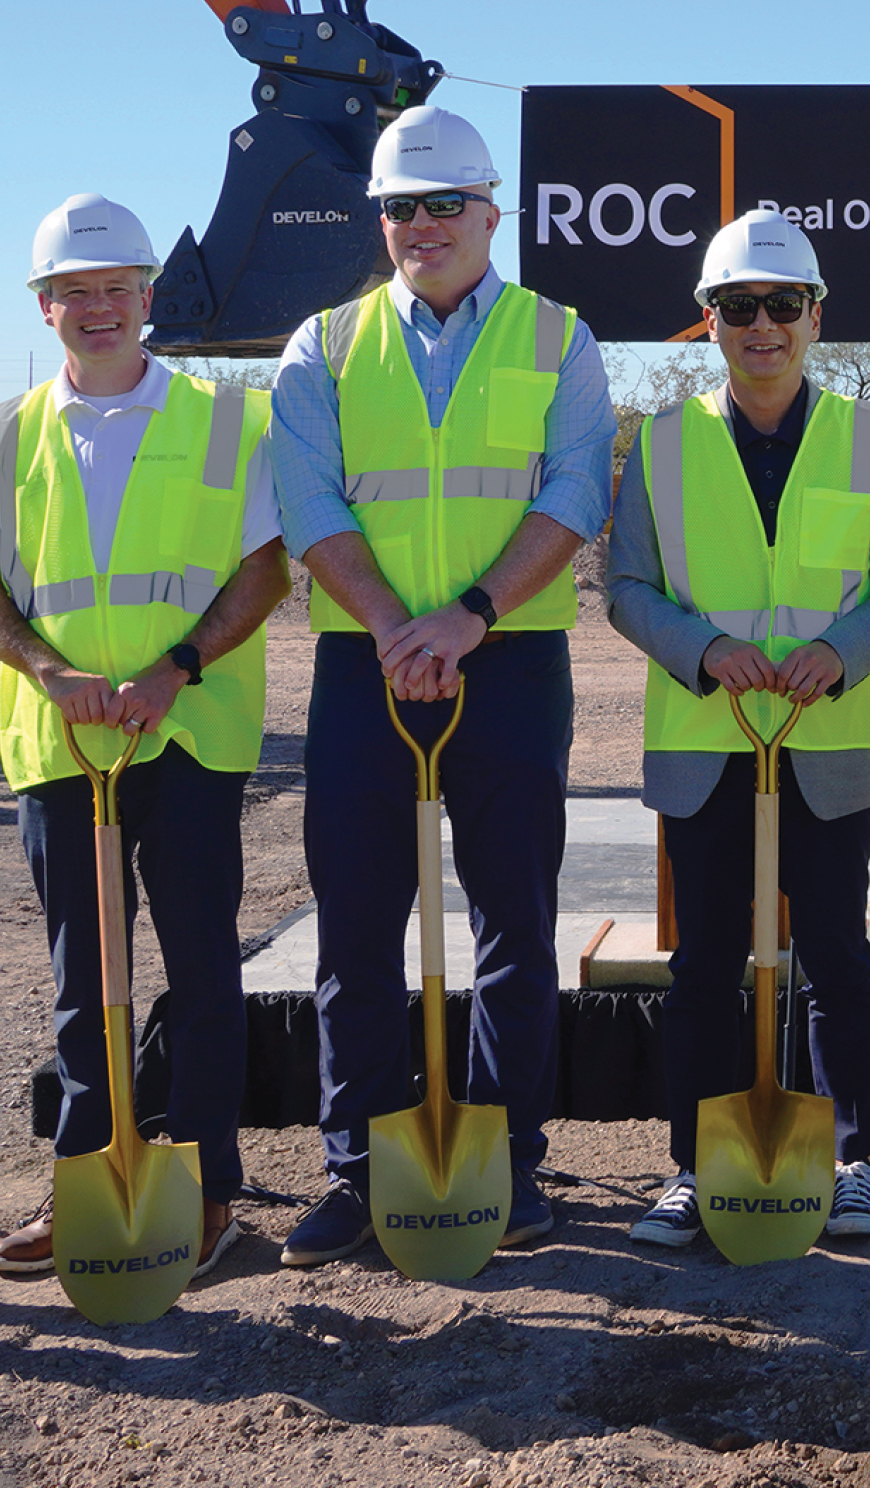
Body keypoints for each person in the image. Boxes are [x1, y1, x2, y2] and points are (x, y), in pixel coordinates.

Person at [265, 105, 615, 1267]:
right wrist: (391, 624)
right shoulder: (323, 344)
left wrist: (468, 615)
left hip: (506, 657)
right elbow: (307, 498)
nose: (421, 223)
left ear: (489, 211)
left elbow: (574, 488)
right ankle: (358, 1171)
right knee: (357, 926)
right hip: (364, 661)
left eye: (443, 203)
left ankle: (506, 1161)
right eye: (399, 206)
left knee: (514, 920)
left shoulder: (558, 337)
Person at [0, 195, 287, 1280]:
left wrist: (175, 668)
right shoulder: (2, 432)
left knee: (202, 970)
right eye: (74, 292)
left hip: (187, 738)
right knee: (83, 979)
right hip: (62, 747)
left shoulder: (230, 421)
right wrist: (50, 672)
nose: (98, 307)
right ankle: (89, 1178)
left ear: (148, 296)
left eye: (116, 288)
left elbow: (265, 569)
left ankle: (209, 1188)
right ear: (44, 307)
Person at [602, 212, 870, 1248]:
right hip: (705, 748)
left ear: (814, 316)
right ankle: (695, 1167)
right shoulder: (660, 443)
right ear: (707, 320)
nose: (761, 324)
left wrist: (841, 650)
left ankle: (851, 1162)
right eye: (737, 305)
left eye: (781, 304)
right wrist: (701, 648)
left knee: (837, 959)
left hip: (826, 748)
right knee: (702, 965)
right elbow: (625, 588)